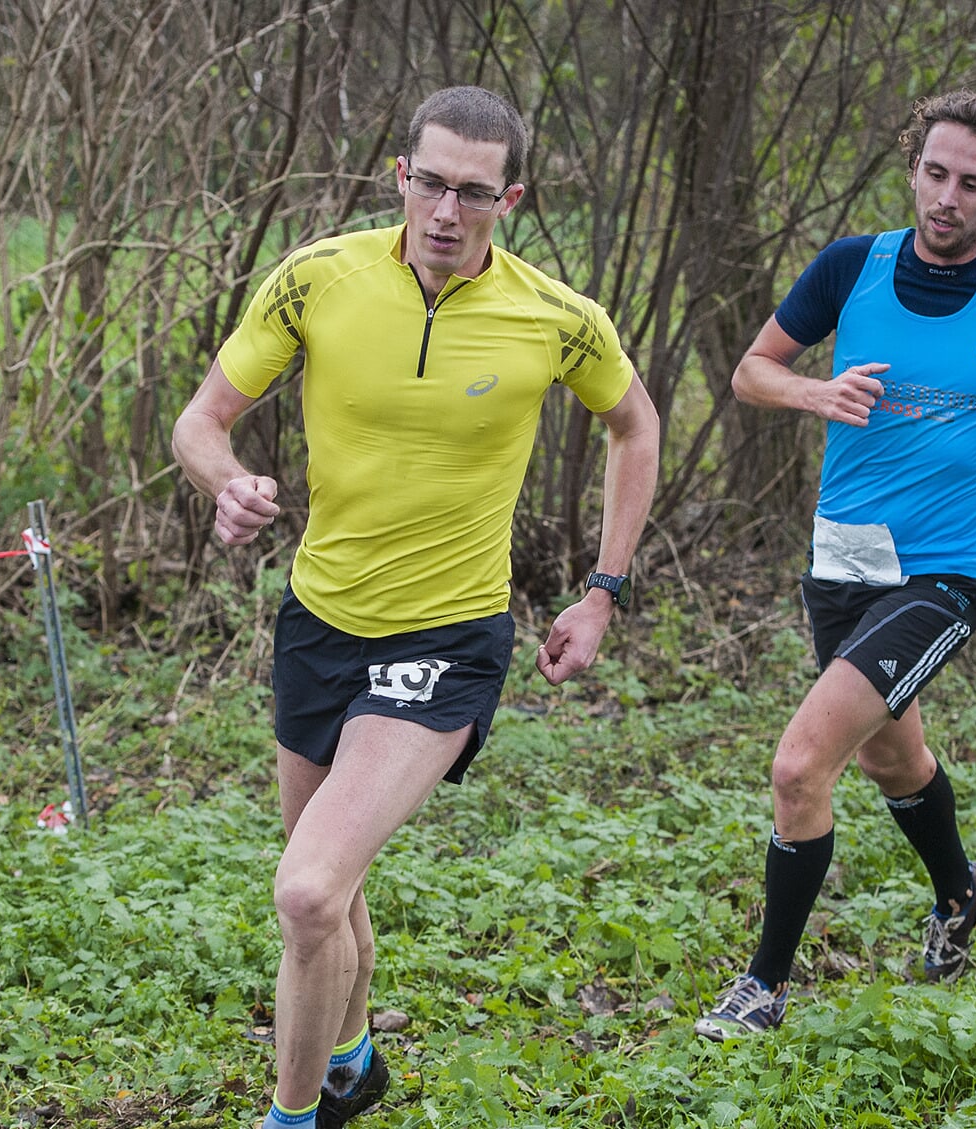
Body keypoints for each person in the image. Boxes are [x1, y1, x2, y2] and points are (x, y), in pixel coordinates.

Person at [171, 86, 660, 1126]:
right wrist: (227, 482)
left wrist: (603, 589)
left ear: (509, 199)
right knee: (331, 888)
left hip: (445, 640)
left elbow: (633, 426)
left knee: (305, 891)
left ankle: (293, 1116)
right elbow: (202, 420)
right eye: (428, 182)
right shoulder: (315, 280)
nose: (445, 210)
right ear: (399, 176)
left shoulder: (557, 319)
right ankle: (351, 1054)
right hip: (318, 621)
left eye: (472, 193)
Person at [694, 90, 976, 1041]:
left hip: (945, 575)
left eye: (971, 183)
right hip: (841, 564)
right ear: (915, 167)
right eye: (934, 173)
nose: (947, 197)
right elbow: (750, 372)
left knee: (801, 764)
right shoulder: (851, 266)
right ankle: (961, 891)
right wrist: (818, 389)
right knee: (895, 755)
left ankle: (762, 989)